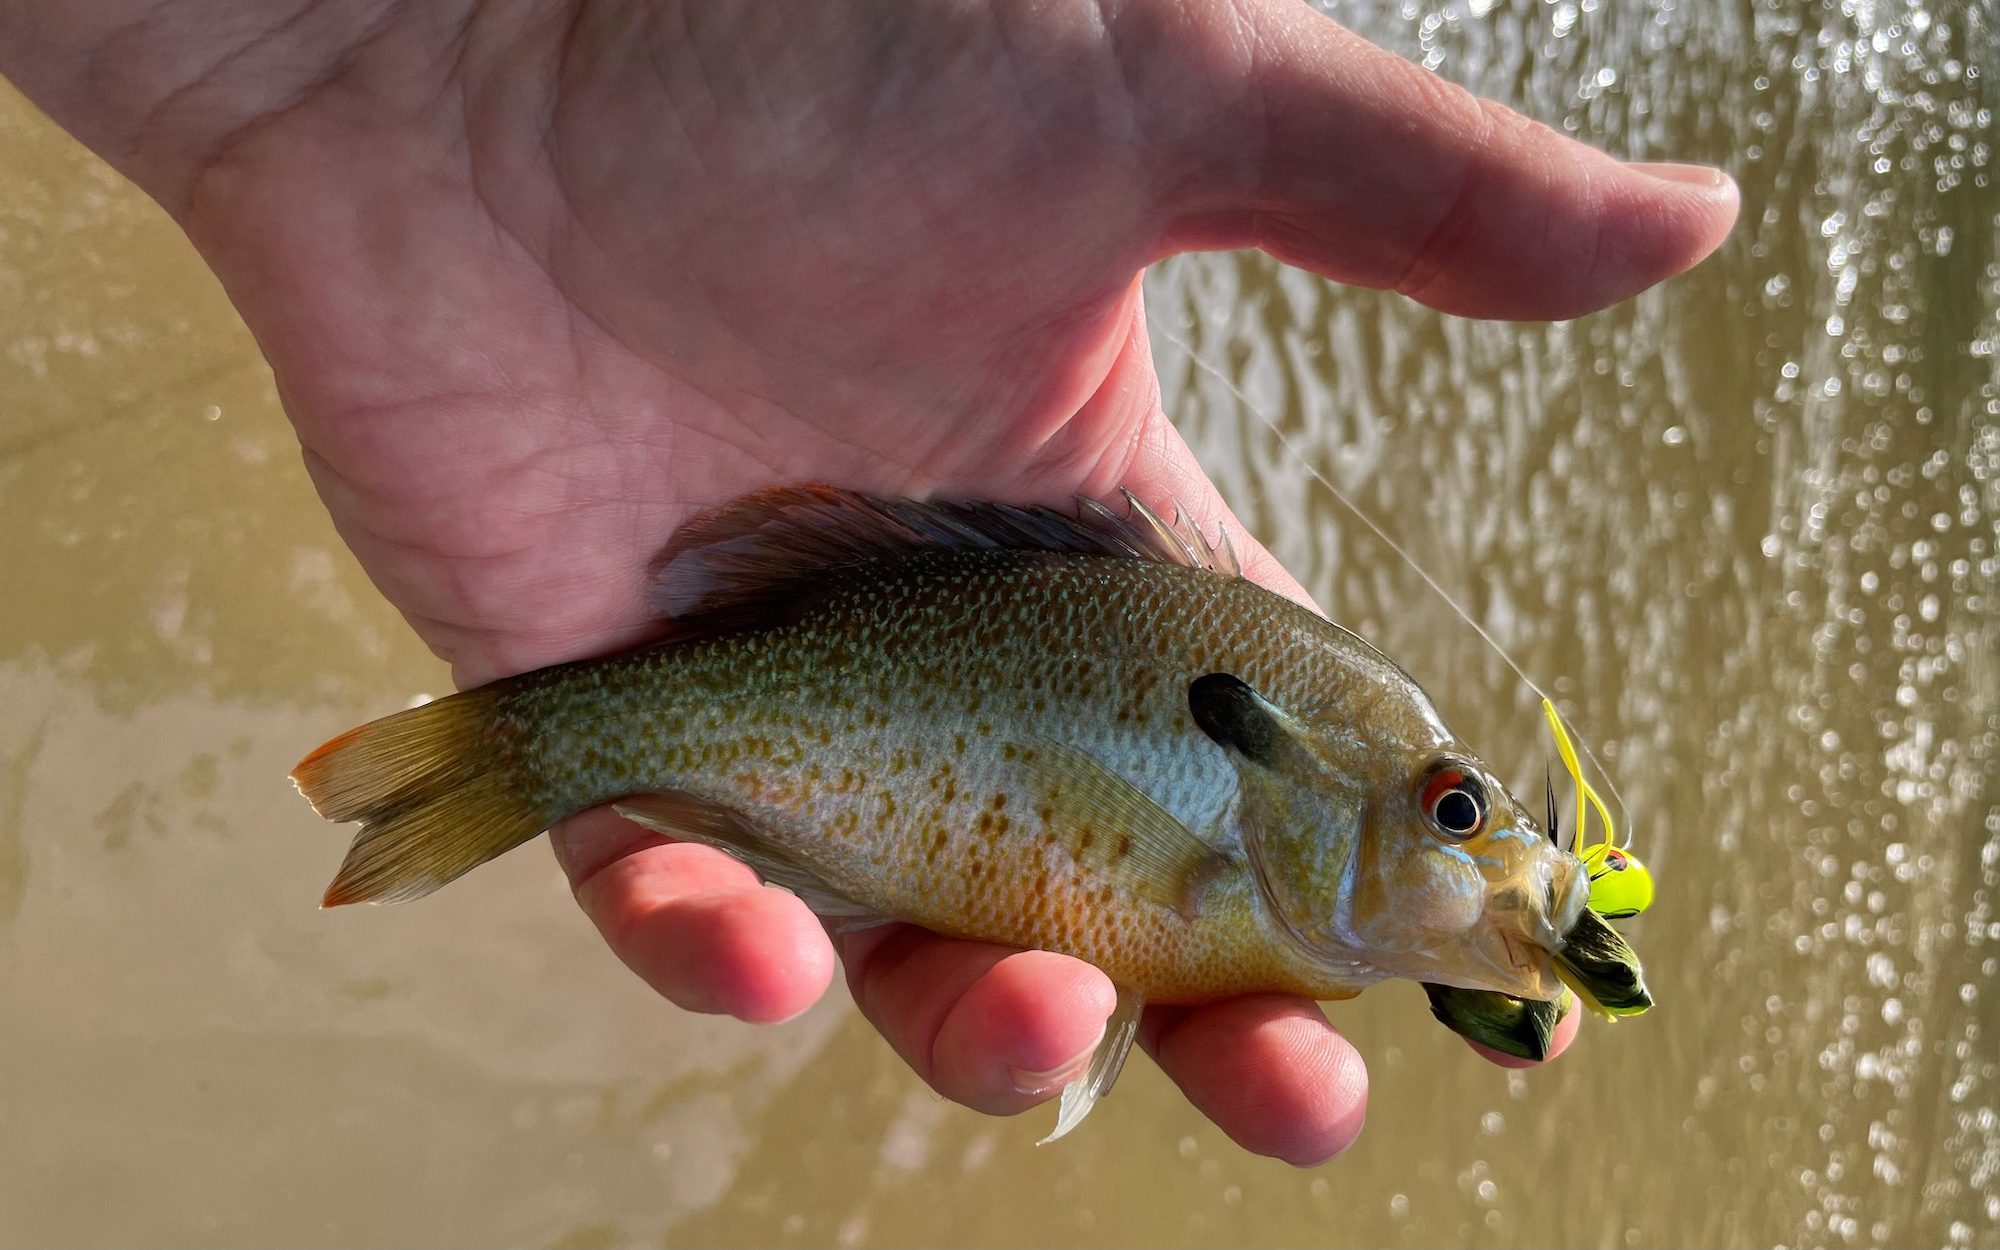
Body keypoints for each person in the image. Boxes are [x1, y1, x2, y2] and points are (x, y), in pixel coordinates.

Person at [0, 0, 1736, 1164]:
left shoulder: (1282, 875)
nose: (1496, 858)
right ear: (1309, 774)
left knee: (1033, 1014)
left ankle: (532, 752)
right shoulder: (1269, 854)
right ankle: (530, 747)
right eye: (1456, 808)